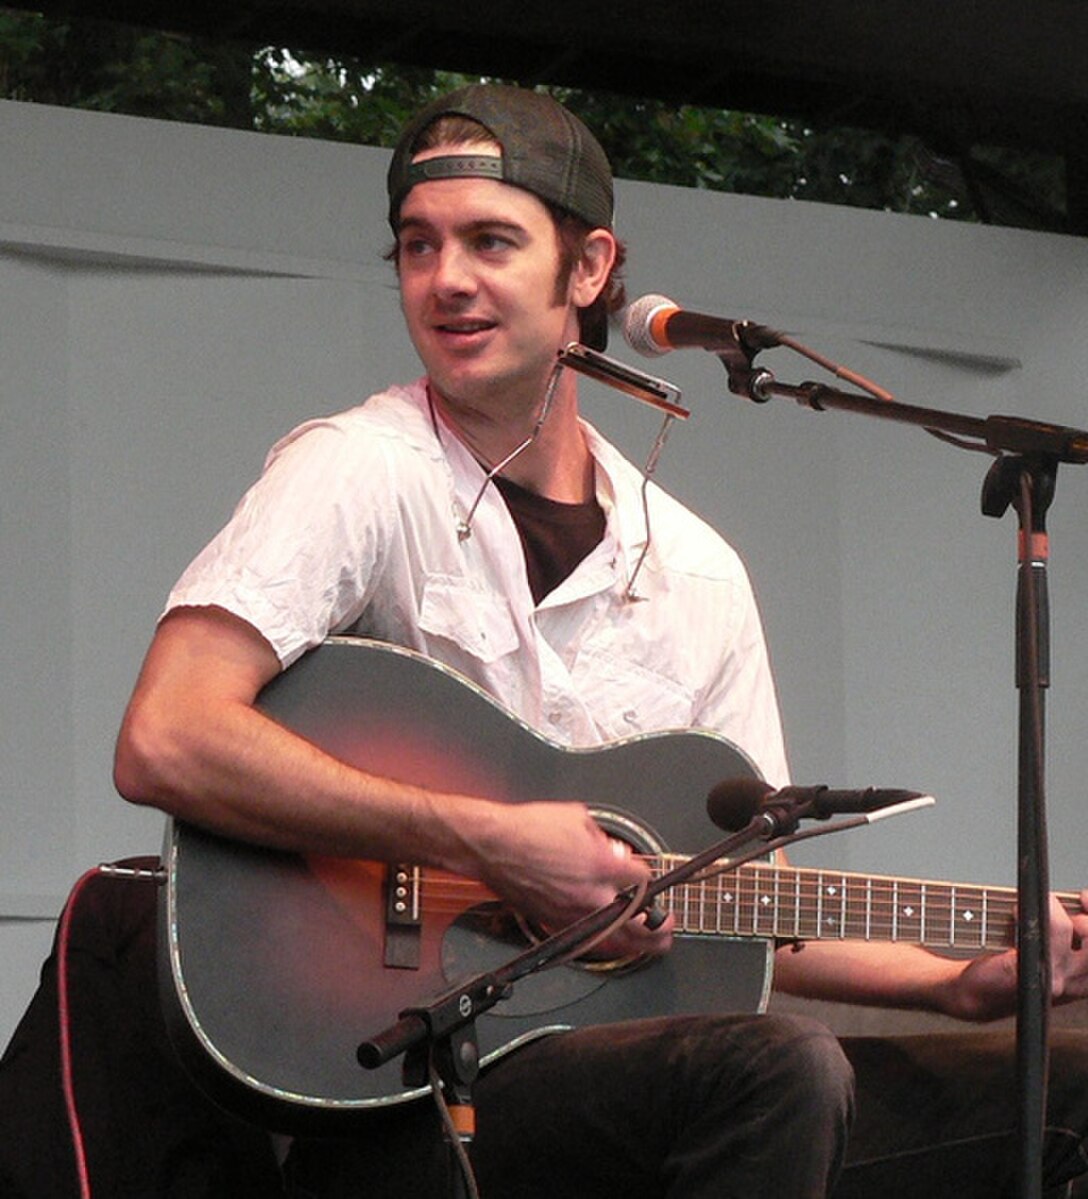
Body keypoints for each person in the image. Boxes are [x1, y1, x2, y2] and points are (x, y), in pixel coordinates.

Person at [114, 84, 1088, 1197]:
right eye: (416, 247)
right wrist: (490, 840)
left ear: (586, 270)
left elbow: (737, 907)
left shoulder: (696, 569)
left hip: (624, 1070)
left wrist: (950, 982)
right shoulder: (358, 470)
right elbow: (166, 736)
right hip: (408, 1076)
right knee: (776, 1071)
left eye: (490, 241)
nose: (445, 280)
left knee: (1058, 1081)